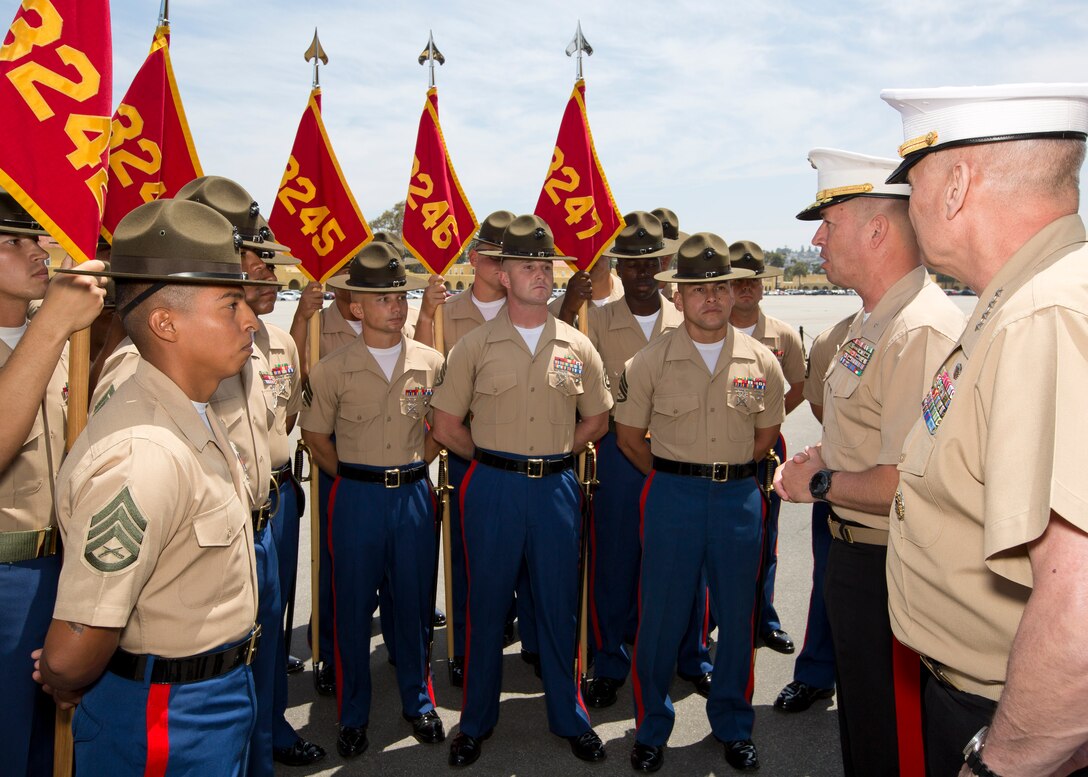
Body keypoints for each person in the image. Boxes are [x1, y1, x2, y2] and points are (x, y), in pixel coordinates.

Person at [879, 83, 1088, 776]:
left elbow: (1080, 603)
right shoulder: (1023, 302)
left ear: (956, 186)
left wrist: (1000, 765)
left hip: (1016, 723)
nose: (907, 209)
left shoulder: (1042, 315)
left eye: (912, 184)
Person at [34, 198, 274, 776]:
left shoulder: (193, 407)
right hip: (166, 714)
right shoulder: (143, 455)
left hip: (216, 695)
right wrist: (70, 681)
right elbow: (71, 653)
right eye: (230, 304)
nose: (250, 320)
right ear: (165, 323)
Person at [774, 148, 965, 776]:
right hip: (855, 556)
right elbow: (863, 433)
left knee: (895, 741)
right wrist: (824, 458)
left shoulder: (918, 330)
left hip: (893, 564)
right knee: (864, 728)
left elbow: (911, 481)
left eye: (829, 224)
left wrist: (820, 481)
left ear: (877, 229)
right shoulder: (872, 321)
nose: (817, 240)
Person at [431, 214, 612, 767]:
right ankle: (475, 722)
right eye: (527, 266)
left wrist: (556, 452)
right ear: (502, 276)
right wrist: (490, 459)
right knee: (484, 608)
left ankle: (570, 717)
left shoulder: (578, 345)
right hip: (493, 489)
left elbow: (598, 420)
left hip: (556, 486)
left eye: (545, 264)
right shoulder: (475, 346)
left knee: (560, 609)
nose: (540, 274)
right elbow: (444, 424)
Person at [615, 232, 783, 773]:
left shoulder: (762, 361)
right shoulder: (649, 361)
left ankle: (733, 723)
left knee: (738, 616)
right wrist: (676, 474)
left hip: (738, 496)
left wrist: (725, 472)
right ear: (679, 295)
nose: (710, 298)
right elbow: (629, 436)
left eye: (720, 287)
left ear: (734, 293)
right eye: (697, 288)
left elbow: (766, 435)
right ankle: (651, 727)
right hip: (672, 496)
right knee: (661, 616)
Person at [300, 241, 446, 759]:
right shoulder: (331, 369)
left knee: (412, 607)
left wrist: (413, 466)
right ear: (355, 306)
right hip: (356, 499)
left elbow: (442, 429)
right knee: (351, 610)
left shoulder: (432, 362)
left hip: (411, 496)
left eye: (401, 295)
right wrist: (358, 478)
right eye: (383, 298)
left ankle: (419, 701)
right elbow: (316, 440)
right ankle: (352, 713)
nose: (396, 305)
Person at [579, 211, 712, 709]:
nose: (640, 274)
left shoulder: (690, 319)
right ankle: (610, 659)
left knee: (684, 560)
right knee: (614, 559)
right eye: (630, 264)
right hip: (617, 453)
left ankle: (691, 655)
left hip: (681, 453)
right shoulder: (596, 321)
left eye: (649, 263)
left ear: (664, 262)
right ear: (617, 265)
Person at [409, 210, 540, 686]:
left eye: (509, 257)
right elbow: (422, 368)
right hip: (467, 450)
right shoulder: (446, 312)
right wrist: (426, 315)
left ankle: (536, 642)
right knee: (469, 560)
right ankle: (466, 645)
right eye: (491, 255)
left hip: (524, 450)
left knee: (532, 559)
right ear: (473, 257)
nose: (498, 265)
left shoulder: (529, 310)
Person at [0, 190, 105, 776]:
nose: (38, 251)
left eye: (34, 237)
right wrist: (53, 325)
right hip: (7, 577)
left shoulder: (68, 346)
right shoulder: (53, 336)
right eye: (12, 242)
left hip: (67, 568)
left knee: (57, 739)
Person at [728, 240, 804, 655]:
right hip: (712, 449)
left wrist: (767, 420)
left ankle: (763, 618)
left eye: (752, 280)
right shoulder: (705, 329)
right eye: (737, 280)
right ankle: (706, 623)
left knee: (764, 537)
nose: (745, 288)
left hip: (764, 446)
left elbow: (798, 388)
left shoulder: (783, 336)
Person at [774, 315, 851, 713]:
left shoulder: (929, 326)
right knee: (828, 583)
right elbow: (823, 409)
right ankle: (817, 675)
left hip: (909, 491)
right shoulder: (830, 340)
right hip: (842, 482)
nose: (820, 247)